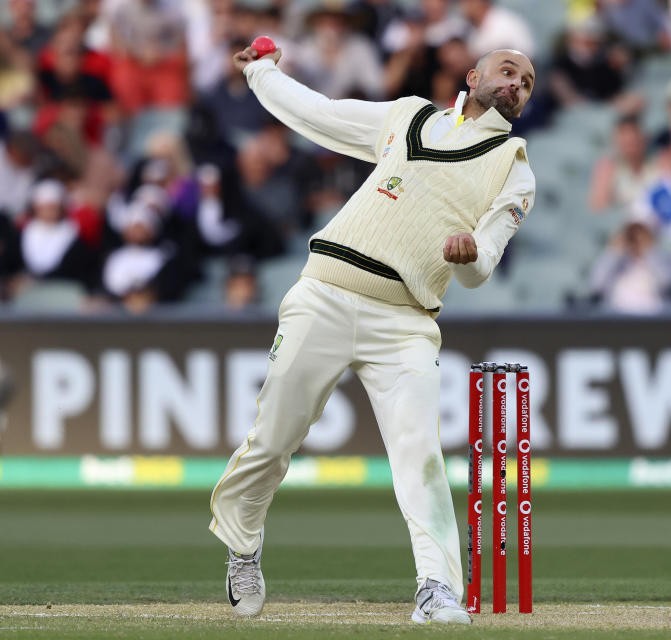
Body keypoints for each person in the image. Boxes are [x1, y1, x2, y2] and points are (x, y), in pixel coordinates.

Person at [209, 45, 536, 625]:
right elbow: (321, 115)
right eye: (508, 72)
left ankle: (436, 589)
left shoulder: (513, 166)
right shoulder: (407, 117)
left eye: (528, 82)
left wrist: (465, 258)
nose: (517, 85)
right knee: (272, 438)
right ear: (474, 76)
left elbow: (483, 264)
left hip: (405, 320)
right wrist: (261, 72)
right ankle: (243, 540)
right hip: (325, 294)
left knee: (420, 455)